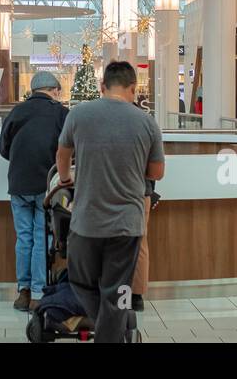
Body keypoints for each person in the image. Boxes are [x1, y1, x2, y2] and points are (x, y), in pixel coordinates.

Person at [55, 61, 164, 343]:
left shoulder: (78, 115)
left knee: (79, 281)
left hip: (86, 221)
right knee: (118, 291)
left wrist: (66, 178)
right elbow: (157, 173)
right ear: (133, 88)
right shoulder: (147, 122)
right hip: (127, 225)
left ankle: (107, 329)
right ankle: (110, 331)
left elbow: (62, 154)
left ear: (102, 86)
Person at [0, 70, 68, 312]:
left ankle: (23, 291)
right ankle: (38, 293)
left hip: (18, 183)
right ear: (54, 90)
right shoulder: (61, 113)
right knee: (41, 238)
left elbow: (3, 148)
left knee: (24, 238)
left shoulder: (16, 111)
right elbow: (70, 150)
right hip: (45, 186)